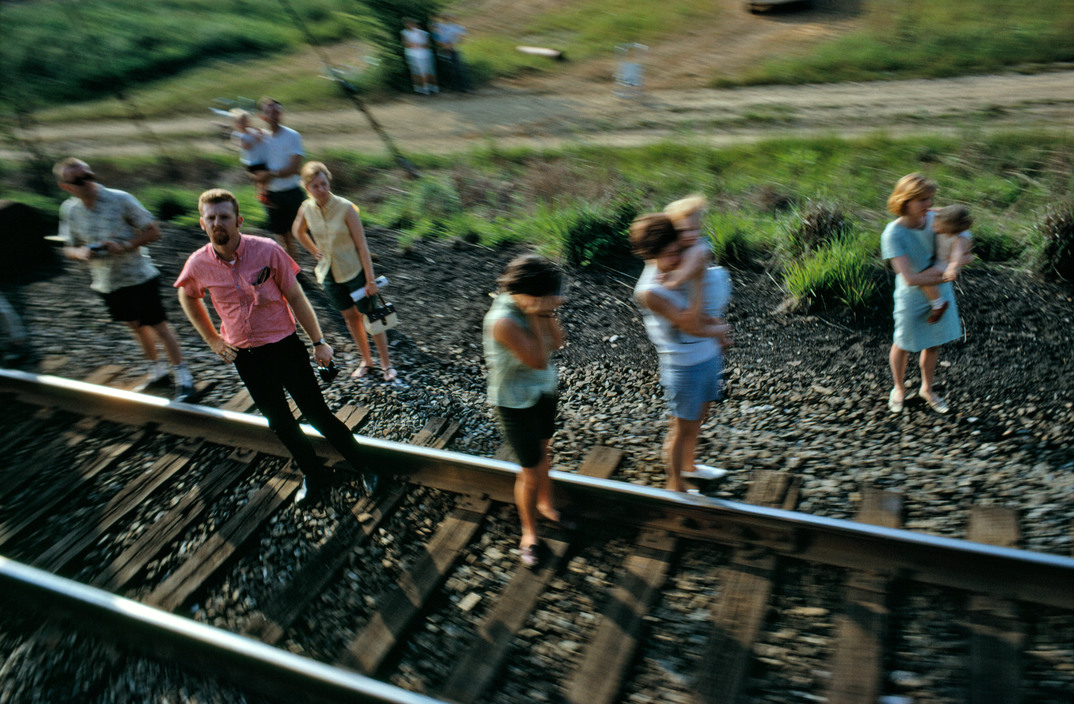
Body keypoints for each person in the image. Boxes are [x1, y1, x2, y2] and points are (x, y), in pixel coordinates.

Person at [175, 188, 374, 503]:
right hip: (245, 356)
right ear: (202, 223)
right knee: (279, 423)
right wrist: (212, 339)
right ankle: (314, 472)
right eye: (211, 218)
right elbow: (186, 294)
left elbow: (296, 297)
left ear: (238, 220)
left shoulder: (266, 251)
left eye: (224, 216)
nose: (218, 223)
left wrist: (319, 342)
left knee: (317, 414)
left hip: (284, 347)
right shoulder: (199, 263)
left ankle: (365, 465)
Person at [54, 157, 194, 401]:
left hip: (138, 275)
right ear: (66, 187)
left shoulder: (120, 199)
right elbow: (68, 246)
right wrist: (81, 253)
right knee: (135, 327)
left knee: (158, 325)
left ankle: (184, 377)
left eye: (89, 175)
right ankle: (157, 371)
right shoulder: (70, 210)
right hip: (106, 281)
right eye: (79, 180)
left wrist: (125, 245)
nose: (87, 182)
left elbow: (154, 231)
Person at [631, 213, 731, 493]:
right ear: (651, 255)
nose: (678, 259)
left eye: (679, 250)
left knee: (698, 419)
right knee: (682, 429)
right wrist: (698, 280)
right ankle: (675, 485)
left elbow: (701, 247)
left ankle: (689, 467)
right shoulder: (649, 291)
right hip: (683, 367)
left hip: (707, 356)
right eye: (671, 254)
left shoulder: (678, 261)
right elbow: (691, 323)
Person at [482, 254, 566, 568]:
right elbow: (537, 360)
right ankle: (529, 533)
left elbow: (557, 343)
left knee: (544, 451)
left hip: (543, 390)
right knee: (530, 470)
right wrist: (535, 315)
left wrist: (548, 313)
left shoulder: (535, 303)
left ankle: (545, 503)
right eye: (545, 295)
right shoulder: (502, 320)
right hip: (513, 400)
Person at [292, 161, 397, 382]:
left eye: (323, 184)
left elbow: (362, 247)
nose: (321, 189)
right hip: (328, 274)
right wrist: (313, 250)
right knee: (350, 319)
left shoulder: (346, 208)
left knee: (372, 317)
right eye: (315, 186)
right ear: (307, 187)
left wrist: (370, 281)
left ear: (329, 181)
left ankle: (386, 364)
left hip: (355, 271)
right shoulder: (306, 208)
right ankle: (366, 361)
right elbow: (297, 230)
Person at [881, 173, 963, 415]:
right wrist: (948, 273)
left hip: (941, 292)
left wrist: (959, 259)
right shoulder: (893, 234)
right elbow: (910, 278)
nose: (928, 205)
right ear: (905, 201)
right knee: (903, 343)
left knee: (934, 343)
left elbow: (962, 235)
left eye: (930, 199)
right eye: (922, 200)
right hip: (912, 295)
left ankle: (927, 388)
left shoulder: (935, 220)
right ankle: (898, 388)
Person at [662, 195, 732, 330]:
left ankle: (718, 332)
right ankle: (721, 333)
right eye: (682, 231)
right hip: (704, 282)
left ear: (700, 227)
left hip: (712, 285)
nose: (689, 235)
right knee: (709, 317)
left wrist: (672, 281)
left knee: (705, 314)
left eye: (694, 229)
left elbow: (687, 271)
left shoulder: (697, 249)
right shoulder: (681, 245)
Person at [254, 97, 305, 259]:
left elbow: (293, 168)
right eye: (269, 112)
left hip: (292, 193)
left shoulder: (292, 136)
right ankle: (294, 269)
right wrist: (261, 190)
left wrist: (270, 174)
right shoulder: (260, 139)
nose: (273, 115)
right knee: (283, 235)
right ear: (263, 116)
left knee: (306, 232)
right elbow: (256, 168)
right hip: (272, 194)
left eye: (276, 111)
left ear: (281, 114)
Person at [919, 204, 975, 324]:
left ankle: (939, 304)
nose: (934, 225)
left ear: (950, 228)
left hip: (944, 265)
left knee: (922, 279)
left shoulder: (959, 239)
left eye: (938, 226)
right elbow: (941, 212)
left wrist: (951, 269)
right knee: (923, 279)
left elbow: (957, 256)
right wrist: (927, 209)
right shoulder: (947, 219)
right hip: (942, 260)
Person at [229, 108, 269, 204]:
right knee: (262, 179)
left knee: (263, 181)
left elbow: (261, 133)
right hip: (250, 162)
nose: (244, 124)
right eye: (241, 122)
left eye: (245, 120)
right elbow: (246, 147)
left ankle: (263, 195)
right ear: (236, 124)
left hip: (260, 160)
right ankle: (262, 195)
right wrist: (256, 139)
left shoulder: (251, 131)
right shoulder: (237, 135)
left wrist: (258, 133)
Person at [432, 13, 472, 92]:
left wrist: (453, 43)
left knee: (457, 69)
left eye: (448, 18)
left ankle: (461, 87)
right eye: (446, 18)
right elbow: (436, 38)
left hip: (453, 50)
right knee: (448, 69)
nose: (447, 19)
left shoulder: (455, 27)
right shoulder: (439, 26)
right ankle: (452, 87)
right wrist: (444, 45)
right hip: (444, 50)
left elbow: (461, 38)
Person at [401, 17, 438, 95]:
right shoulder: (404, 32)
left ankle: (429, 87)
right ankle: (419, 88)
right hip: (412, 54)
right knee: (416, 72)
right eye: (409, 23)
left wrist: (418, 45)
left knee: (427, 71)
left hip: (424, 54)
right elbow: (405, 44)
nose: (412, 25)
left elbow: (428, 44)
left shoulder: (424, 33)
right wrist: (413, 45)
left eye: (413, 24)